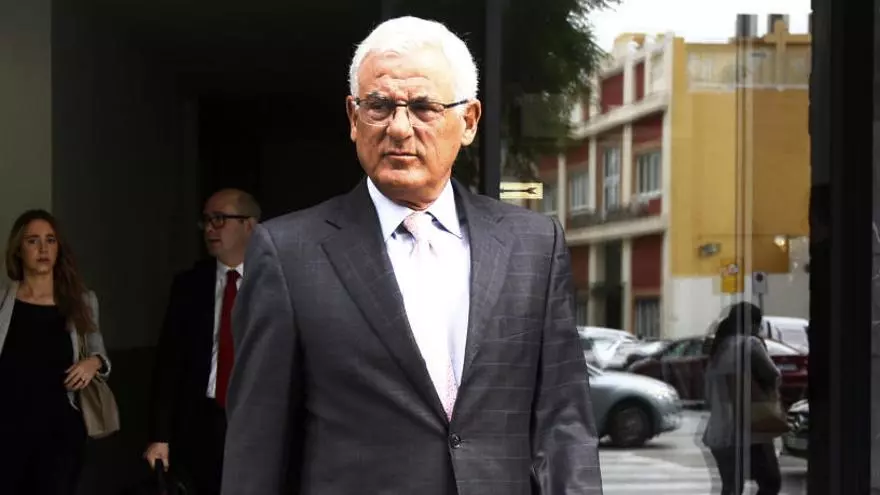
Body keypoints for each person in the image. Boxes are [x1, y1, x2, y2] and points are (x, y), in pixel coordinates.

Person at [221, 16, 602, 495]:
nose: (399, 129)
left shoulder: (534, 246)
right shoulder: (288, 253)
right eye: (379, 106)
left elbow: (564, 426)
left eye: (424, 107)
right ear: (353, 117)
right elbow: (257, 445)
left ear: (469, 121)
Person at [144, 189, 260, 495]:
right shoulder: (190, 285)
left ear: (249, 225)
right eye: (206, 221)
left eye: (219, 219)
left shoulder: (277, 280)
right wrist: (160, 435)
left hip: (259, 419)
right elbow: (169, 363)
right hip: (200, 420)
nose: (209, 228)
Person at [0, 209, 112, 495]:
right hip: (8, 430)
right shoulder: (2, 302)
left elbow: (99, 352)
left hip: (60, 431)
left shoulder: (82, 301)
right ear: (18, 249)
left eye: (50, 240)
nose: (43, 249)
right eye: (33, 241)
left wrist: (93, 363)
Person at [702, 302, 783, 495]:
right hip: (750, 432)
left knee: (731, 488)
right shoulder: (750, 344)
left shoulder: (718, 348)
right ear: (752, 324)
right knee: (771, 483)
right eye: (758, 325)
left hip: (718, 433)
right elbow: (773, 376)